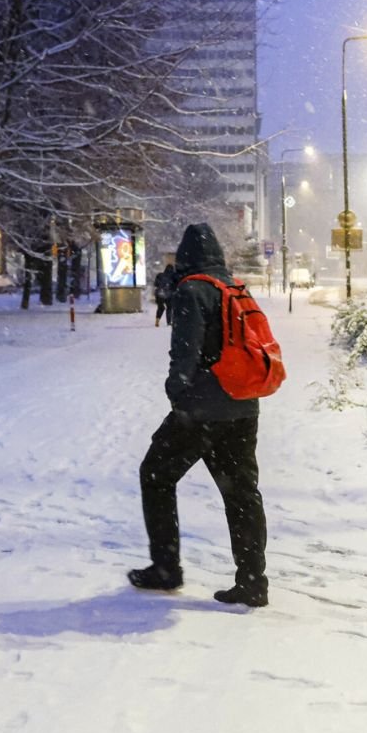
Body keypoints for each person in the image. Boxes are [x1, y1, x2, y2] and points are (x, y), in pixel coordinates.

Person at [127, 223, 269, 607]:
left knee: (155, 475)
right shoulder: (235, 287)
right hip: (243, 405)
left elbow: (184, 355)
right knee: (242, 493)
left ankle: (166, 568)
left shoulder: (192, 290)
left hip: (203, 410)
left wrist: (178, 393)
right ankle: (253, 581)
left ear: (186, 256)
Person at [152, 263, 176, 327]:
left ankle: (157, 320)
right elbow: (176, 286)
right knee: (169, 308)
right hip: (169, 295)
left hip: (159, 294)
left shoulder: (160, 275)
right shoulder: (173, 276)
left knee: (161, 308)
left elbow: (156, 284)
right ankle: (169, 322)